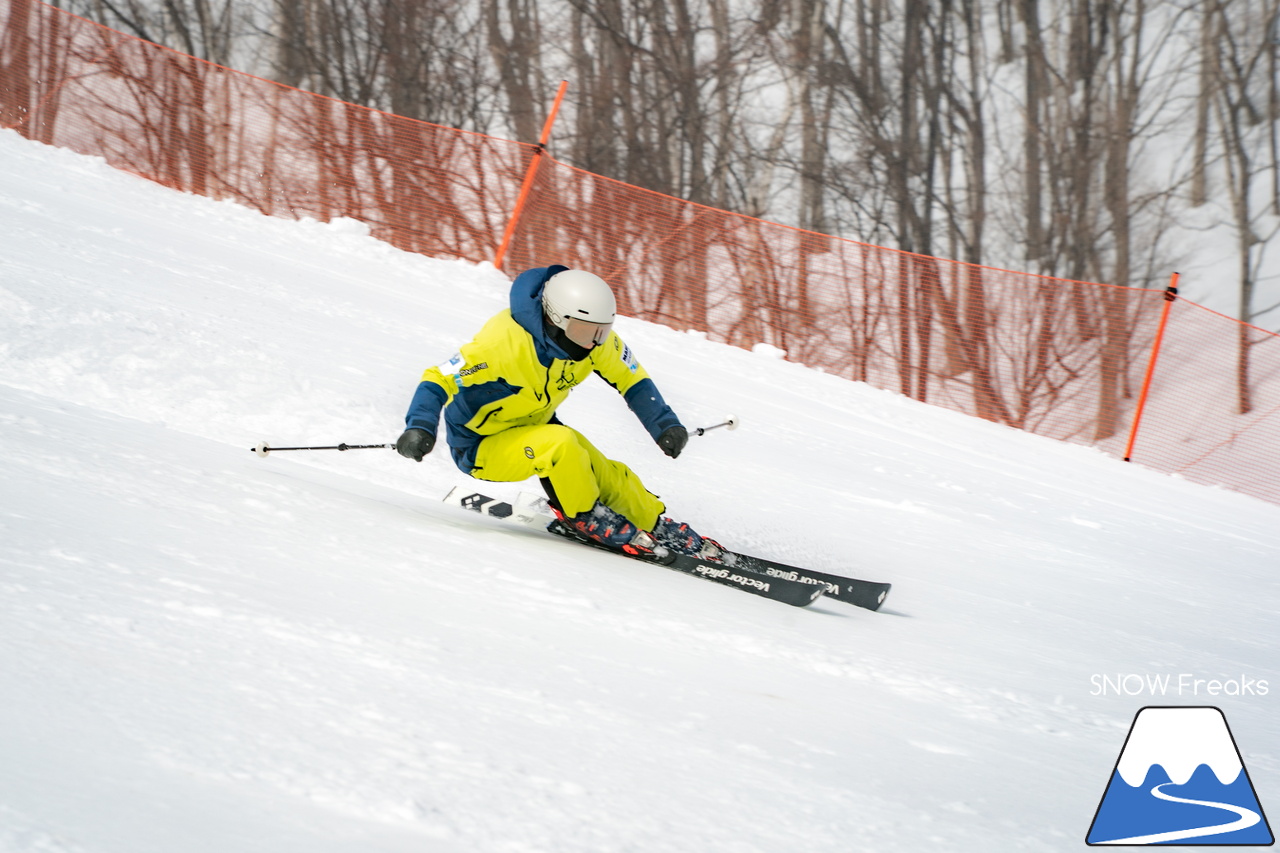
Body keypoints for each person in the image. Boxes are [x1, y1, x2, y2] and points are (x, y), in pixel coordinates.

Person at [395, 264, 719, 559]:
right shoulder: (501, 345)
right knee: (561, 445)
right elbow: (438, 378)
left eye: (601, 331)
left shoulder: (593, 341)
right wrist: (419, 427)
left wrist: (665, 424)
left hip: (536, 427)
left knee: (602, 469)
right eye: (585, 331)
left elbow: (631, 378)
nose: (593, 343)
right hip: (480, 445)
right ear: (555, 319)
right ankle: (585, 516)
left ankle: (654, 523)